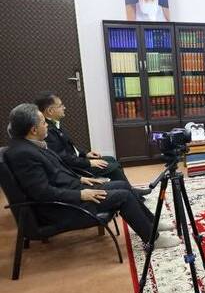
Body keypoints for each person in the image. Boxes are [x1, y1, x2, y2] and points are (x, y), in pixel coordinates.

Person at [4, 104, 179, 248]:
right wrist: (81, 194)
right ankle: (153, 239)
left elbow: (56, 172)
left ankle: (152, 223)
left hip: (72, 190)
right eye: (43, 122)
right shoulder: (24, 154)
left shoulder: (31, 145)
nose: (46, 125)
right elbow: (42, 193)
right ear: (33, 129)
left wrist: (80, 179)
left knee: (122, 185)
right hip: (64, 207)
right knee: (123, 196)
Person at [34, 91, 143, 189]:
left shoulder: (54, 124)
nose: (64, 107)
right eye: (61, 105)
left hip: (77, 160)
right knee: (113, 167)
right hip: (73, 168)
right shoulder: (47, 130)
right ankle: (128, 191)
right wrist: (89, 163)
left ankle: (129, 190)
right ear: (50, 110)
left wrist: (86, 153)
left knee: (111, 159)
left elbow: (70, 147)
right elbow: (63, 158)